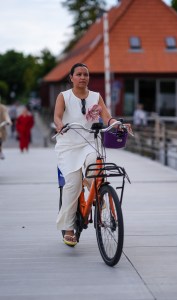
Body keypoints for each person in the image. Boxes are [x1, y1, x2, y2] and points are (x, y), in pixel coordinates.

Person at [54, 63, 132, 247]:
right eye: (79, 74)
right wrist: (59, 125)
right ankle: (69, 228)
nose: (83, 77)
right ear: (71, 77)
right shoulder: (63, 96)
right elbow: (57, 116)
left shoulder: (96, 96)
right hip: (68, 145)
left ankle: (98, 194)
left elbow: (107, 117)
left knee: (95, 166)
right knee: (72, 185)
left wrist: (115, 123)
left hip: (90, 142)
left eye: (86, 74)